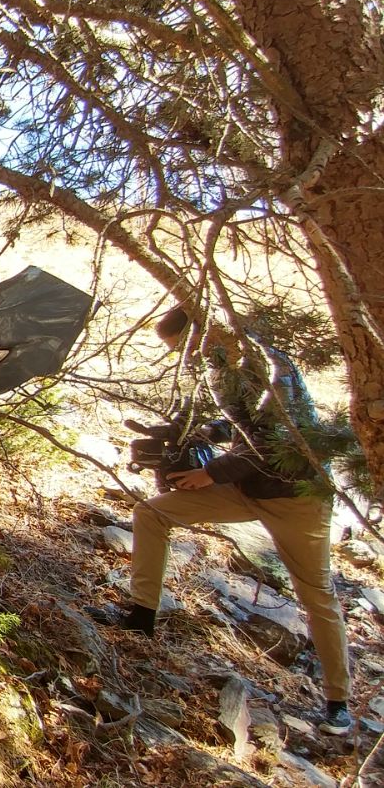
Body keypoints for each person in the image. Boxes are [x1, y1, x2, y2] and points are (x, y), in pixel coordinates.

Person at [94, 306, 354, 735]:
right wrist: (202, 434)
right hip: (246, 488)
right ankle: (141, 617)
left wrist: (209, 473)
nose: (186, 359)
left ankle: (337, 702)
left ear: (205, 333)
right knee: (152, 513)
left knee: (316, 593)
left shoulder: (264, 366)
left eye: (183, 348)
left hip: (297, 497)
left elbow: (274, 442)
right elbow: (242, 425)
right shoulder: (223, 365)